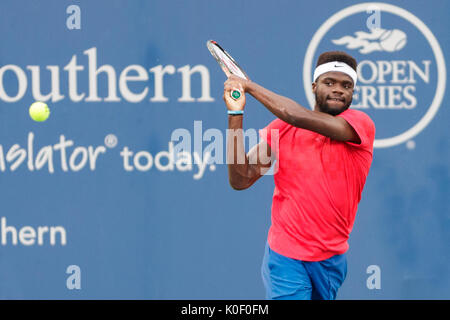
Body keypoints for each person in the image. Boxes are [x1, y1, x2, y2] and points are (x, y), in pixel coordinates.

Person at [224, 51, 375, 300]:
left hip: (331, 260)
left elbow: (295, 114)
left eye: (346, 86)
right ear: (314, 86)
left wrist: (248, 86)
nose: (338, 90)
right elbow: (241, 179)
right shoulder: (282, 130)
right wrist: (235, 115)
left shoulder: (360, 125)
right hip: (285, 257)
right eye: (330, 83)